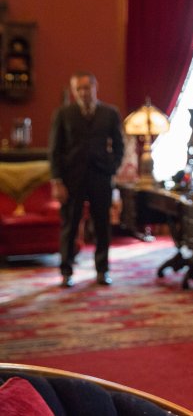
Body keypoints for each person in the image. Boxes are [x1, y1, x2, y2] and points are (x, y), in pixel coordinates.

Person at [48, 71, 124, 288]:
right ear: (74, 91)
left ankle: (102, 270)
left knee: (102, 226)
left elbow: (119, 145)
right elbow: (54, 150)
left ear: (95, 87)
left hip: (101, 177)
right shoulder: (63, 114)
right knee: (70, 226)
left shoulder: (110, 113)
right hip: (71, 179)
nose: (83, 92)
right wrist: (57, 181)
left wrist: (112, 167)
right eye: (78, 89)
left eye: (86, 88)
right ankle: (66, 272)